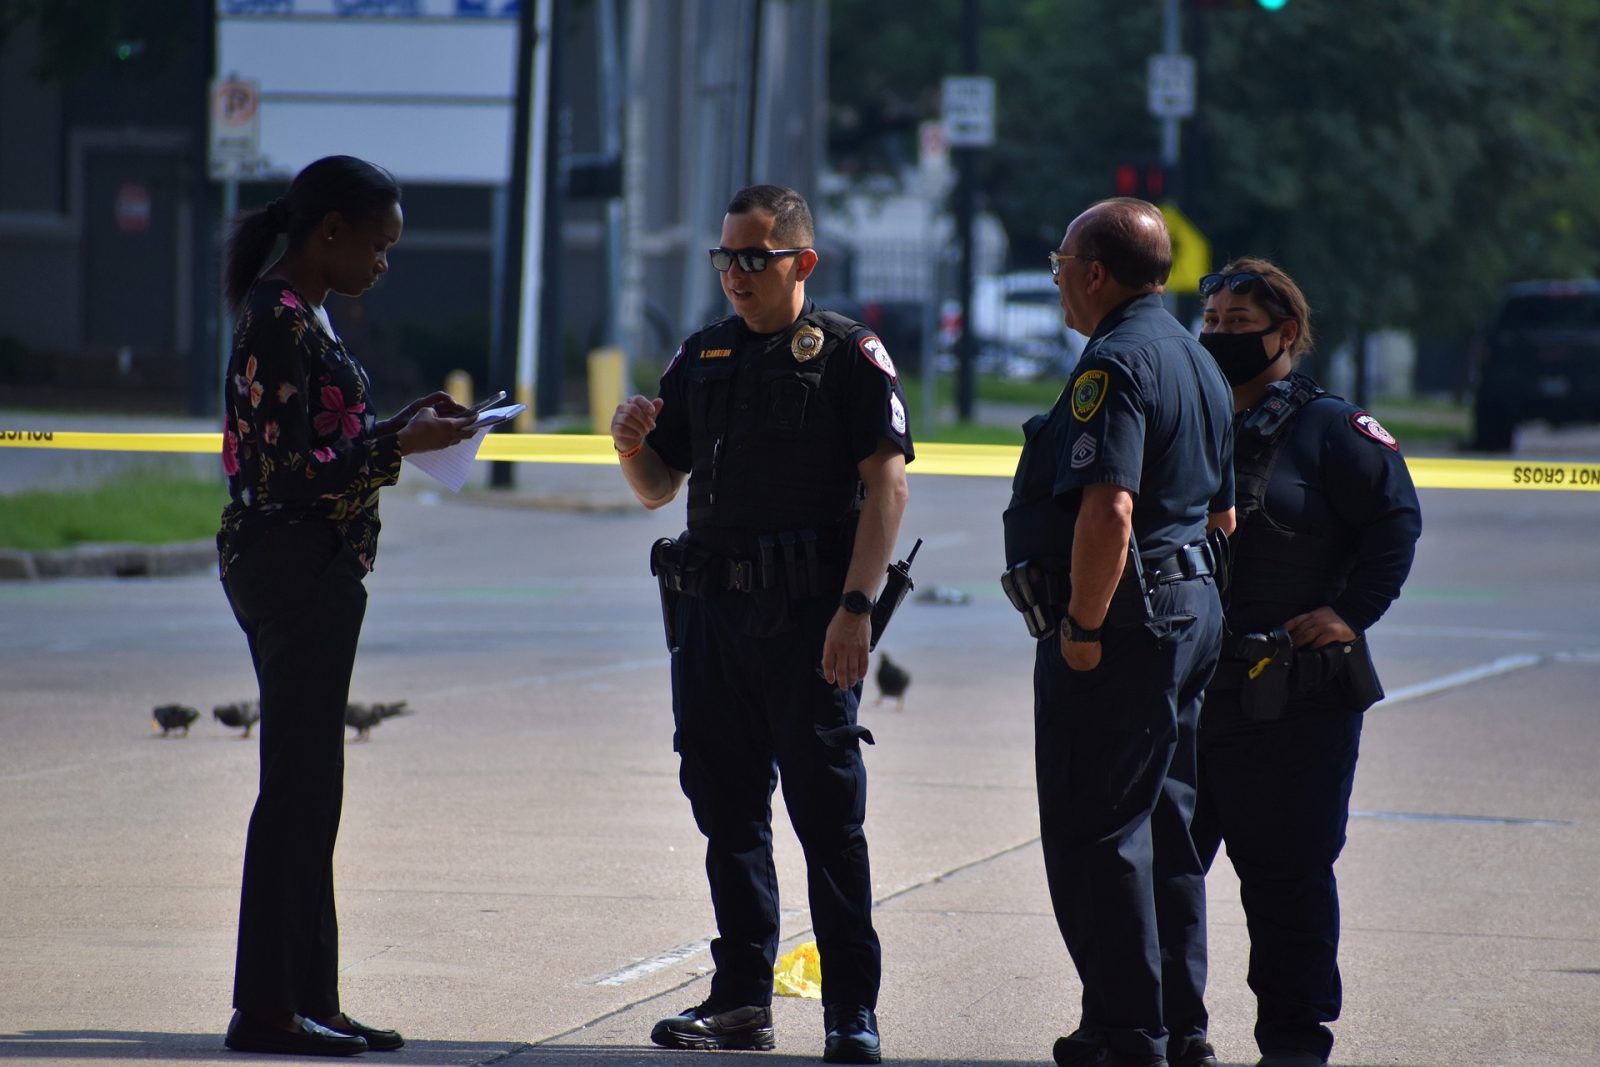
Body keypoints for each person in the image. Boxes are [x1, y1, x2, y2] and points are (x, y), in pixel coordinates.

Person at [610, 184, 912, 1065]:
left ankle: (850, 1009)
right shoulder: (703, 355)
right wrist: (631, 441)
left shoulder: (849, 354)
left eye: (755, 257)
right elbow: (659, 486)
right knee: (727, 808)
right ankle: (741, 998)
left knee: (827, 817)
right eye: (726, 257)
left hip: (808, 619)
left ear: (801, 262)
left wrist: (855, 610)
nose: (736, 274)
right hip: (712, 619)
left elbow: (888, 487)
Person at [216, 155, 475, 1057]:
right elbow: (288, 474)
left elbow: (320, 440)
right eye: (378, 245)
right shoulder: (276, 319)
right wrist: (398, 447)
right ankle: (269, 1009)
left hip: (312, 563)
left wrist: (399, 427)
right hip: (292, 564)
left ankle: (311, 997)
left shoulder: (302, 312)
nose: (383, 264)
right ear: (329, 232)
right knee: (294, 789)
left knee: (312, 788)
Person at [1001, 198, 1235, 1067]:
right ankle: (1182, 1024)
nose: (1058, 277)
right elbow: (1226, 512)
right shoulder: (1196, 359)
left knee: (1098, 827)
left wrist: (1084, 627)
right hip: (1189, 608)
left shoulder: (1117, 364)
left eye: (1062, 263)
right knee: (1166, 826)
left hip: (1126, 622)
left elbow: (1110, 507)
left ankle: (1127, 1028)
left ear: (1096, 273)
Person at [1183, 258, 1422, 1067]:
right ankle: (1162, 1028)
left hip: (1295, 694)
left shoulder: (1332, 428)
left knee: (1285, 877)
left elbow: (1396, 524)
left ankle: (1293, 1040)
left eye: (1239, 323)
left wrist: (1349, 615)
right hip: (1195, 686)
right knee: (1163, 870)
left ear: (1285, 333)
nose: (1219, 334)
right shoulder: (1197, 414)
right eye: (1211, 320)